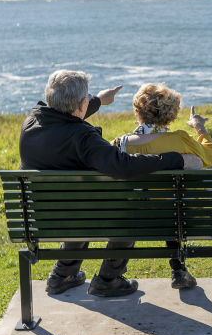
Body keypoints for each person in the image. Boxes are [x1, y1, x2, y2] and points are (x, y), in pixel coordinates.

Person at [19, 70, 198, 298]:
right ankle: (108, 279)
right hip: (87, 214)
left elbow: (65, 117)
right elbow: (122, 165)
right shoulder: (83, 138)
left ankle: (62, 276)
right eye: (87, 98)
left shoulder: (31, 123)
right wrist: (176, 159)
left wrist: (99, 101)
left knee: (81, 207)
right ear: (81, 103)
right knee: (128, 208)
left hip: (45, 217)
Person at [112, 83, 212, 289]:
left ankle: (112, 273)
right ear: (171, 115)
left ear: (137, 111)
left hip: (140, 214)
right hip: (182, 213)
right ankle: (178, 270)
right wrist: (199, 127)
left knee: (163, 201)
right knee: (180, 195)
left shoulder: (121, 143)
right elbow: (211, 157)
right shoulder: (180, 139)